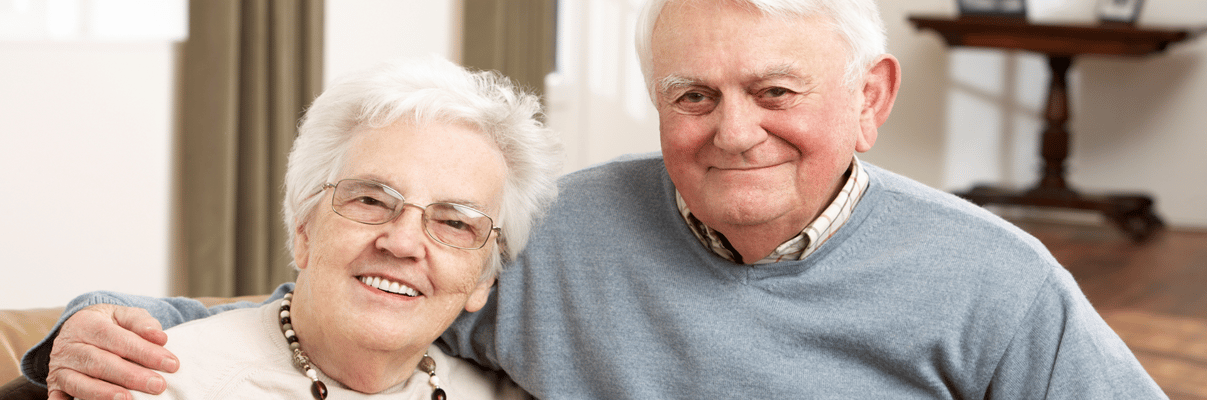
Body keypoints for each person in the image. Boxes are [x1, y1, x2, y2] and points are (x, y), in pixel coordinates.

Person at [23, 0, 1165, 399]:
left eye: (776, 90)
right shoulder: (557, 231)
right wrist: (84, 327)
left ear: (869, 98)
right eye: (692, 93)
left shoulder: (995, 276)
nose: (733, 130)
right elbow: (326, 305)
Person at [26, 56, 560, 399]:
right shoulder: (156, 383)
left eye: (453, 221)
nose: (401, 242)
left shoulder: (505, 392)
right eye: (372, 199)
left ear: (483, 281)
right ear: (303, 228)